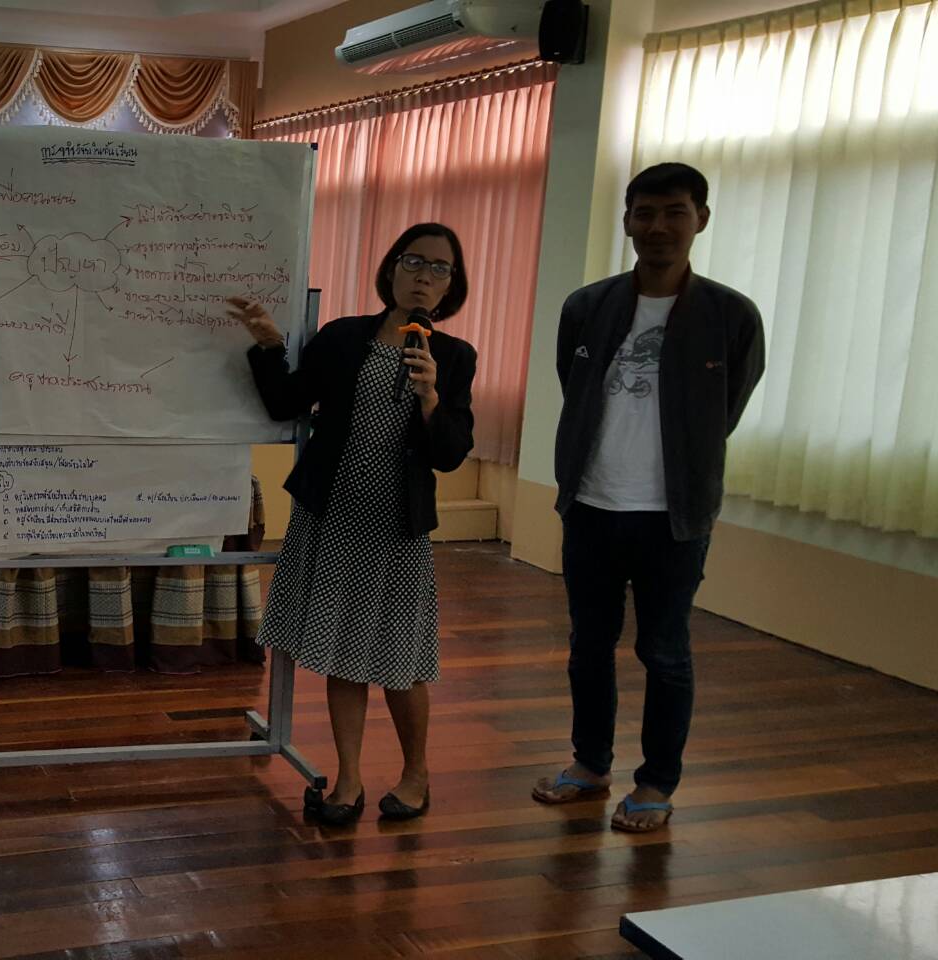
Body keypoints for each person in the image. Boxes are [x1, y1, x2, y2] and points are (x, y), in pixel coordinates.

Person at [532, 162, 765, 832]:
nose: (658, 227)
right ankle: (590, 763)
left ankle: (658, 781)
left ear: (701, 220)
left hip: (674, 518)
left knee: (664, 652)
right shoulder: (587, 307)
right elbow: (576, 390)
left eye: (675, 212)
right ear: (628, 221)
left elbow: (726, 407)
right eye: (645, 213)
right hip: (592, 506)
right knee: (589, 645)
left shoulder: (730, 315)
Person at [227, 223, 477, 826]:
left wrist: (431, 398)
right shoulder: (342, 337)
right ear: (391, 269)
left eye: (439, 268)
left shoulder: (453, 357)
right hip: (333, 516)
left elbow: (450, 453)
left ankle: (416, 775)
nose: (424, 276)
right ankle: (348, 779)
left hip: (399, 526)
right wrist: (268, 344)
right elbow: (286, 401)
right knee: (344, 650)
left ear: (451, 286)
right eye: (413, 262)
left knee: (399, 658)